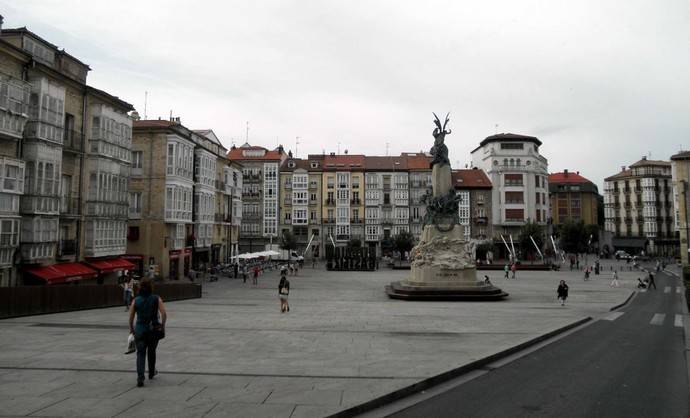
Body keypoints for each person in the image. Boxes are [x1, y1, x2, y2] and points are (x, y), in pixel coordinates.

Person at [128, 278, 167, 387]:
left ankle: (140, 378)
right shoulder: (156, 298)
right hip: (153, 330)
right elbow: (164, 314)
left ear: (140, 288)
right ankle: (151, 372)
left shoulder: (136, 300)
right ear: (151, 288)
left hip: (140, 330)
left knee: (140, 353)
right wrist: (162, 326)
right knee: (152, 351)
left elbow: (131, 317)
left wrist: (131, 329)